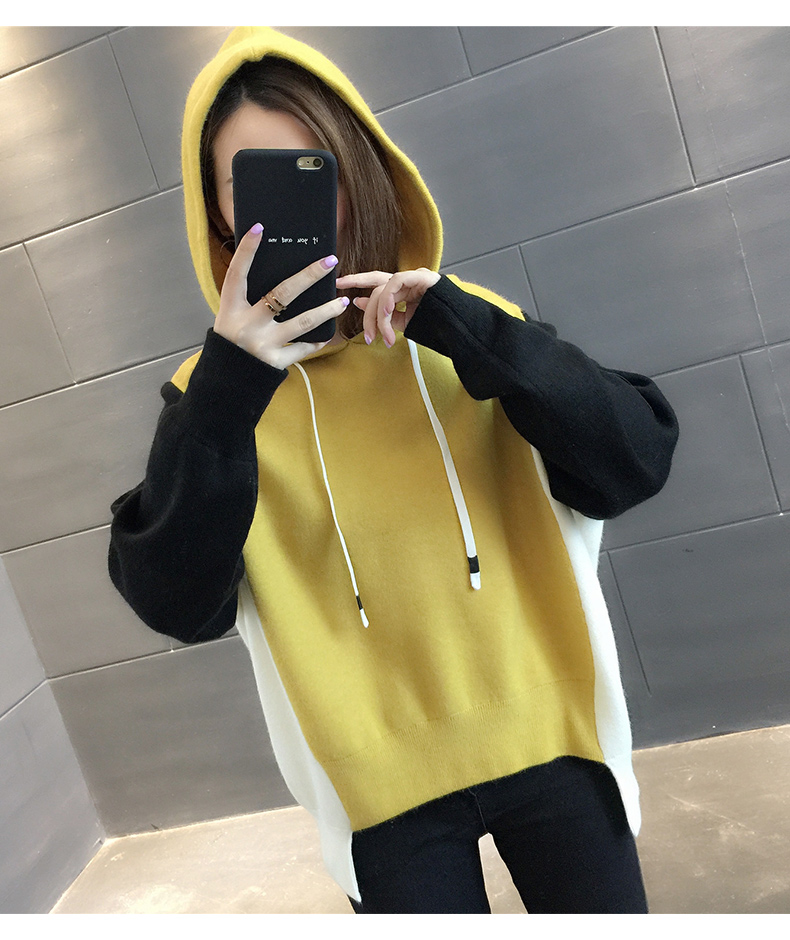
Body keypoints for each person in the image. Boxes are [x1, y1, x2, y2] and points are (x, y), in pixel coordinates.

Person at [108, 26, 679, 914]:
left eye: (316, 169)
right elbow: (179, 604)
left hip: (552, 735)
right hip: (379, 791)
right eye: (252, 181)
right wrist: (228, 389)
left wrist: (465, 330)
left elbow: (632, 462)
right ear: (216, 212)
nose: (297, 207)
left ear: (361, 166)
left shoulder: (466, 324)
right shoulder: (212, 398)